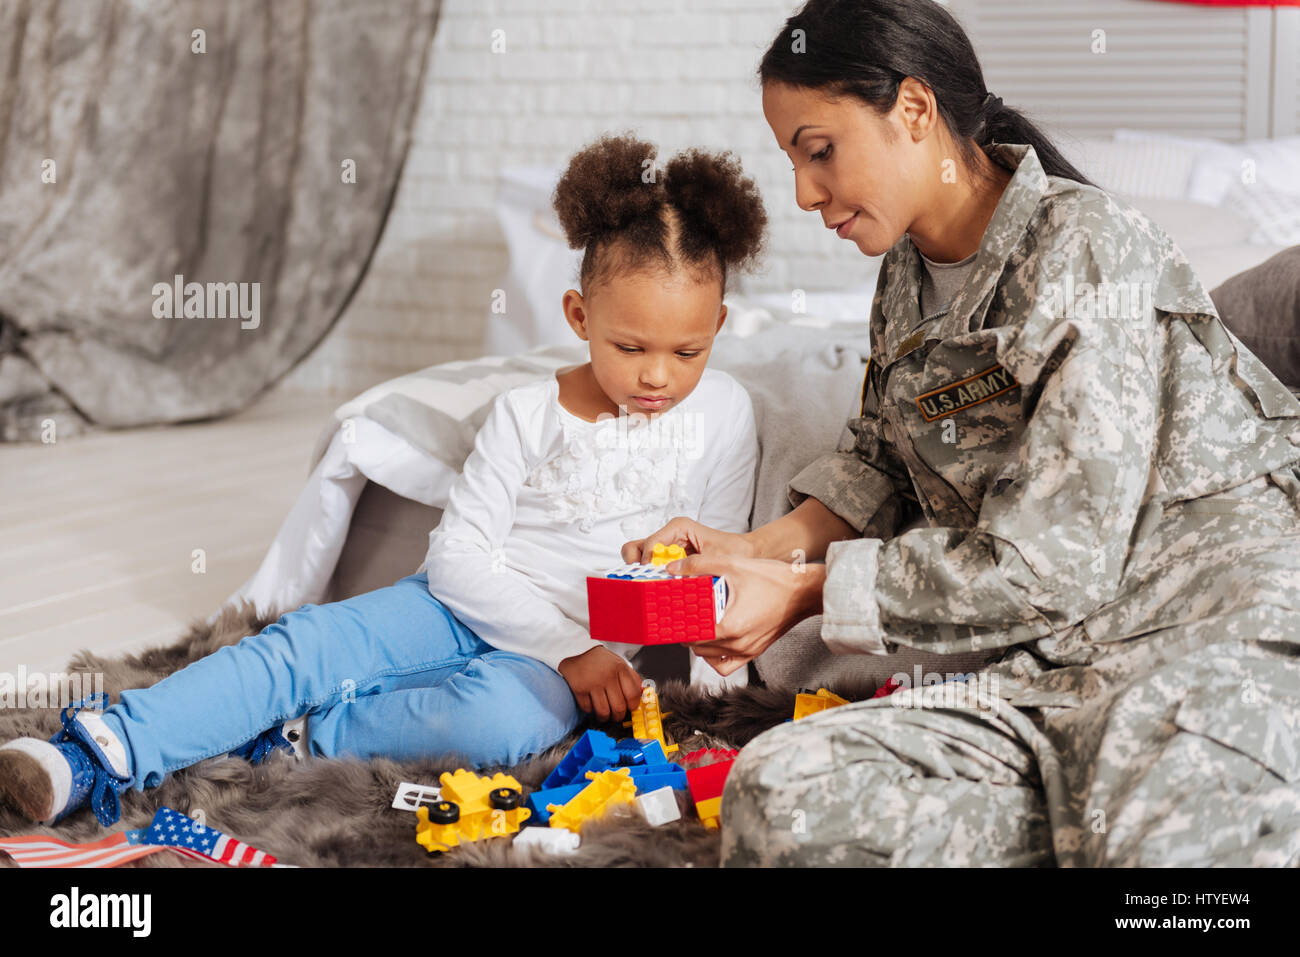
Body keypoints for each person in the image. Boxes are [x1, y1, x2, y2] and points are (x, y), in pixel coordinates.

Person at [625, 0, 1300, 866]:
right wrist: (747, 552)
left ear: (914, 109)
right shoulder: (905, 278)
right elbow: (877, 464)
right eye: (791, 158)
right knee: (777, 794)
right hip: (1050, 674)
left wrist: (800, 592)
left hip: (1207, 638)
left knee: (1156, 853)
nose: (802, 193)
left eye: (820, 150)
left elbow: (1049, 562)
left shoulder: (1089, 251)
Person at [0, 132, 767, 829]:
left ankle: (297, 732)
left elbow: (714, 580)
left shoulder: (727, 414)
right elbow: (463, 558)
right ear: (578, 314)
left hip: (548, 672)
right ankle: (90, 752)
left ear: (720, 328)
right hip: (456, 607)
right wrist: (570, 645)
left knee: (502, 726)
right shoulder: (527, 412)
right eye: (630, 345)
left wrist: (704, 707)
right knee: (304, 642)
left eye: (688, 351)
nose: (659, 375)